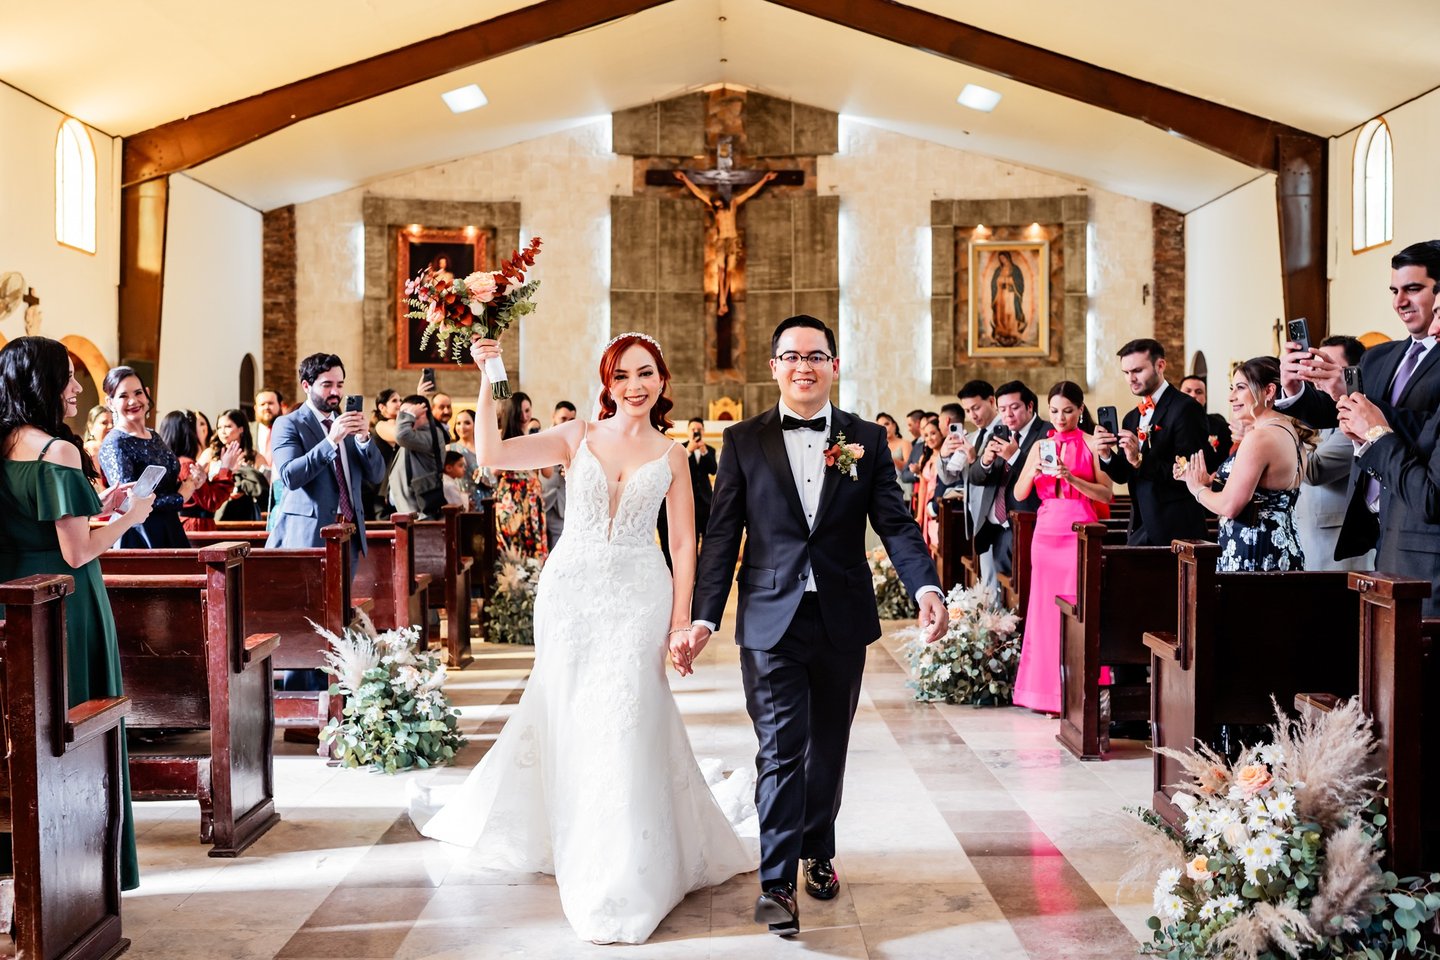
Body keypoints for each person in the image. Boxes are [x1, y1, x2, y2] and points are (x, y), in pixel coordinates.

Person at [414, 331, 758, 945]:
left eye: (645, 373)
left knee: (629, 716)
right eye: (622, 374)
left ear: (662, 380)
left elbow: (684, 544)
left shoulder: (673, 455)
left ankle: (625, 867)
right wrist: (492, 372)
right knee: (570, 713)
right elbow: (491, 453)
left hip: (639, 597)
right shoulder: (578, 437)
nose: (635, 385)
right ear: (607, 382)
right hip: (571, 594)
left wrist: (682, 621)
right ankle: (569, 830)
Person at [689, 315, 947, 937]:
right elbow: (723, 535)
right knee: (780, 750)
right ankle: (776, 883)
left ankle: (817, 849)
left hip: (841, 615)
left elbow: (895, 523)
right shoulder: (743, 441)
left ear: (834, 364)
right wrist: (702, 615)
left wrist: (927, 585)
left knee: (828, 747)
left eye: (816, 355)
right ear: (774, 367)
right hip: (769, 618)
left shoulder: (866, 438)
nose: (803, 365)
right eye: (790, 355)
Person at [0, 336, 156, 891]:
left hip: (16, 603)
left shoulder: (6, 446)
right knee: (82, 725)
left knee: (28, 731)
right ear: (40, 382)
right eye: (66, 376)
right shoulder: (57, 452)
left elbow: (37, 529)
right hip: (70, 602)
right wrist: (130, 515)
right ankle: (89, 871)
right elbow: (77, 551)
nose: (76, 387)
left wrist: (99, 509)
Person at [1280, 240, 1440, 564]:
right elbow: (1333, 411)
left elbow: (1424, 427)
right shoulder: (1381, 356)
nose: (1400, 301)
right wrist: (1295, 387)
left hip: (1422, 528)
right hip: (1381, 532)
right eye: (1394, 291)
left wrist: (1372, 419)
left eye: (1412, 289)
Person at [1010, 382, 1112, 713]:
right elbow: (1019, 494)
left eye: (1067, 411)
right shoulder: (1040, 446)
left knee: (1077, 608)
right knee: (1043, 610)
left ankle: (1081, 691)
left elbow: (1106, 494)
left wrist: (1071, 478)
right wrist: (1034, 469)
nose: (1060, 418)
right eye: (1054, 411)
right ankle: (1042, 694)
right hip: (1045, 532)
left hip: (1079, 531)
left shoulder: (1091, 443)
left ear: (1081, 410)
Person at [1181, 358, 1304, 571]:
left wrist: (1197, 489)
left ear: (1269, 391)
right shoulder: (1289, 430)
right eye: (1232, 388)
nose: (1231, 397)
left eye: (1240, 388)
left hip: (1254, 549)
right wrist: (1209, 483)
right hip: (1281, 545)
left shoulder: (1260, 438)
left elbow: (1230, 506)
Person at [265, 353, 385, 568]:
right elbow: (291, 476)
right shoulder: (289, 424)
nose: (335, 392)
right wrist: (331, 440)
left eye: (340, 384)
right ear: (306, 386)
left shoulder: (347, 425)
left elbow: (377, 476)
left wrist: (364, 438)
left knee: (343, 600)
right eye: (327, 384)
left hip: (350, 531)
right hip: (309, 534)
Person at [1094, 339, 1210, 546]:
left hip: (1176, 526)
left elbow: (1189, 473)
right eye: (1126, 372)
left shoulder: (1186, 409)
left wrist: (1139, 460)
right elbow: (1122, 475)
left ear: (1160, 365)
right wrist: (1106, 455)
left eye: (1137, 370)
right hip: (1140, 523)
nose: (1131, 378)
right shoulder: (1131, 417)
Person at [1293, 336, 1373, 572]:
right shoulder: (1315, 415)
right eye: (1316, 368)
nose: (1319, 377)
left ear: (1351, 374)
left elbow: (1316, 470)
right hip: (1307, 532)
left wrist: (1284, 431)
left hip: (1335, 539)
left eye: (1328, 368)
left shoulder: (1355, 420)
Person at [98, 365, 195, 548]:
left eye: (138, 393)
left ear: (147, 394)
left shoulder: (154, 436)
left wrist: (192, 482)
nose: (133, 401)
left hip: (170, 526)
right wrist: (179, 497)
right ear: (110, 403)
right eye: (123, 396)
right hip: (139, 533)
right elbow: (126, 503)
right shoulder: (115, 443)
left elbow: (164, 482)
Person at [968, 380, 1051, 575]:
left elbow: (1045, 479)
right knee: (999, 589)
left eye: (1014, 408)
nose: (1008, 415)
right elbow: (974, 477)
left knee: (1019, 590)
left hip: (1026, 523)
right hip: (994, 526)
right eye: (1002, 409)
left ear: (1030, 406)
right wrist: (985, 462)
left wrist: (1014, 456)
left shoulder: (1047, 433)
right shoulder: (999, 434)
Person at [937, 380, 1001, 587]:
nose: (972, 415)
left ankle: (995, 618)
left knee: (995, 579)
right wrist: (944, 455)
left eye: (976, 408)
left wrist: (975, 460)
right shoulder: (971, 438)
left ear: (991, 401)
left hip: (996, 518)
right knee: (986, 577)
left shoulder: (1005, 431)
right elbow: (949, 477)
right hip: (975, 517)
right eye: (967, 410)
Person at [158, 410, 239, 533]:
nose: (202, 430)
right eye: (198, 425)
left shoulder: (178, 461)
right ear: (188, 432)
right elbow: (211, 501)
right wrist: (226, 469)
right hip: (195, 527)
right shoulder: (186, 465)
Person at [492, 391, 548, 559]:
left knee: (534, 545)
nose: (524, 416)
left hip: (532, 497)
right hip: (511, 497)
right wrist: (517, 446)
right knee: (511, 548)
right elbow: (494, 470)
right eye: (520, 412)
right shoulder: (502, 436)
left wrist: (542, 443)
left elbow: (548, 472)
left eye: (528, 410)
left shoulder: (537, 436)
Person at [205, 408, 269, 522]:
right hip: (217, 512)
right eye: (219, 427)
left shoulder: (254, 457)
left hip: (246, 513)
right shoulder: (210, 454)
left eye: (228, 426)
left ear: (241, 429)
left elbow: (265, 487)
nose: (222, 431)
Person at [390, 395, 447, 520]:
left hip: (420, 514)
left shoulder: (431, 434)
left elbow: (401, 435)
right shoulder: (416, 433)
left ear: (421, 413)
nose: (402, 418)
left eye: (407, 413)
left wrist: (410, 414)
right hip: (411, 511)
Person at [539, 402, 577, 547]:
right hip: (542, 500)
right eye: (563, 419)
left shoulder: (578, 442)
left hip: (563, 503)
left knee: (559, 546)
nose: (567, 424)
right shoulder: (541, 437)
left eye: (571, 420)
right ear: (553, 417)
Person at [1179, 375, 1232, 471]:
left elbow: (1227, 462)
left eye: (1199, 392)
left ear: (1205, 398)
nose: (1193, 395)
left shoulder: (1221, 426)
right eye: (1188, 391)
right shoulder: (1166, 424)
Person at [365, 388, 403, 519]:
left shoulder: (401, 424)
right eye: (394, 401)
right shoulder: (381, 425)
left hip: (396, 491)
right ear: (382, 407)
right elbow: (400, 435)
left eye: (401, 400)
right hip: (379, 494)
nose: (399, 404)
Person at [913, 416, 946, 555]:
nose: (929, 438)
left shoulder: (946, 455)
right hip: (927, 503)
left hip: (940, 503)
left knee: (938, 543)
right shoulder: (924, 458)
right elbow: (922, 488)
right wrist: (919, 515)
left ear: (941, 433)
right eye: (926, 435)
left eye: (933, 433)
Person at [253, 388, 283, 465]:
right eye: (262, 404)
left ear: (280, 405)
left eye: (270, 403)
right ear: (256, 408)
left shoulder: (289, 429)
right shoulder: (247, 430)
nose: (266, 407)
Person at [82, 403, 112, 478]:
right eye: (104, 423)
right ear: (90, 426)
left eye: (113, 422)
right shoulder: (92, 448)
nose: (111, 426)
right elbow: (98, 485)